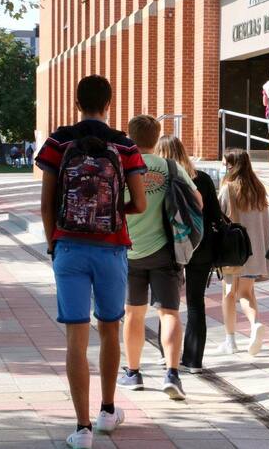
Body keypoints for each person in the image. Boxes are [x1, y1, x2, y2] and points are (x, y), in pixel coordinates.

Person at [36, 75, 147, 449]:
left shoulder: (58, 142)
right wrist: (111, 210)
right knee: (110, 328)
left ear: (76, 102)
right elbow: (140, 203)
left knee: (76, 336)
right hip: (111, 249)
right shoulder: (125, 145)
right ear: (109, 104)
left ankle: (82, 429)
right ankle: (107, 411)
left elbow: (46, 204)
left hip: (68, 247)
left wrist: (54, 244)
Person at [117, 115, 203, 401]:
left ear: (130, 137)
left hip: (129, 251)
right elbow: (198, 201)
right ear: (156, 138)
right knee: (169, 313)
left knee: (133, 313)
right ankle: (172, 374)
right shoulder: (170, 167)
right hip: (165, 251)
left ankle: (133, 373)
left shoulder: (122, 166)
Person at [155, 135, 223, 373]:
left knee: (167, 303)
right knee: (196, 303)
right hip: (200, 246)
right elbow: (215, 215)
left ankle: (166, 354)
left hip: (168, 247)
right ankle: (194, 360)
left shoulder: (160, 181)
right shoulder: (201, 178)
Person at [214, 149, 269, 356]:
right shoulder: (258, 189)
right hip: (255, 251)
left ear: (232, 165)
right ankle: (255, 324)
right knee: (247, 292)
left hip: (233, 252)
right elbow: (266, 223)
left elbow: (218, 218)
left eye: (225, 164)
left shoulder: (228, 189)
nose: (223, 167)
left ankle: (231, 340)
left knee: (229, 294)